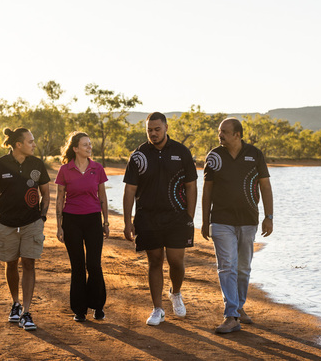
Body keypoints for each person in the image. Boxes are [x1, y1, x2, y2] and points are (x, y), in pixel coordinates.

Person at [123, 112, 198, 326]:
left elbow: (192, 185)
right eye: (149, 130)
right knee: (154, 261)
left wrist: (190, 217)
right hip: (147, 218)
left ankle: (175, 292)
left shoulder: (181, 152)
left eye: (157, 129)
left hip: (177, 217)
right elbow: (130, 190)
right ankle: (157, 308)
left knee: (176, 261)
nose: (153, 133)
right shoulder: (139, 155)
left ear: (166, 127)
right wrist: (128, 221)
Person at [201, 118, 274, 334]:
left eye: (224, 132)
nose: (220, 135)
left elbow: (265, 185)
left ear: (237, 135)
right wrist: (205, 220)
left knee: (243, 268)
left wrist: (269, 216)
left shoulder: (255, 154)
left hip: (248, 220)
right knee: (227, 266)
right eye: (219, 132)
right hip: (221, 220)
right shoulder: (214, 156)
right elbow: (207, 190)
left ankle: (239, 307)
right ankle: (231, 315)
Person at [0, 127, 50, 331]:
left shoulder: (37, 164)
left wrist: (42, 217)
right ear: (18, 144)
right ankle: (15, 303)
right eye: (30, 141)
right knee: (11, 264)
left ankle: (27, 312)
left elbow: (46, 193)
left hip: (32, 223)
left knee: (29, 263)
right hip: (7, 224)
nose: (34, 144)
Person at [55, 131, 109, 322]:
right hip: (71, 221)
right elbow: (60, 198)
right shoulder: (64, 170)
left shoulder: (97, 168)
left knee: (94, 264)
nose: (89, 147)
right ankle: (79, 309)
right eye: (85, 144)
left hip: (93, 219)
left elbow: (102, 196)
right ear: (75, 148)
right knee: (77, 266)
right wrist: (59, 225)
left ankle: (98, 306)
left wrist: (106, 221)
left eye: (90, 144)